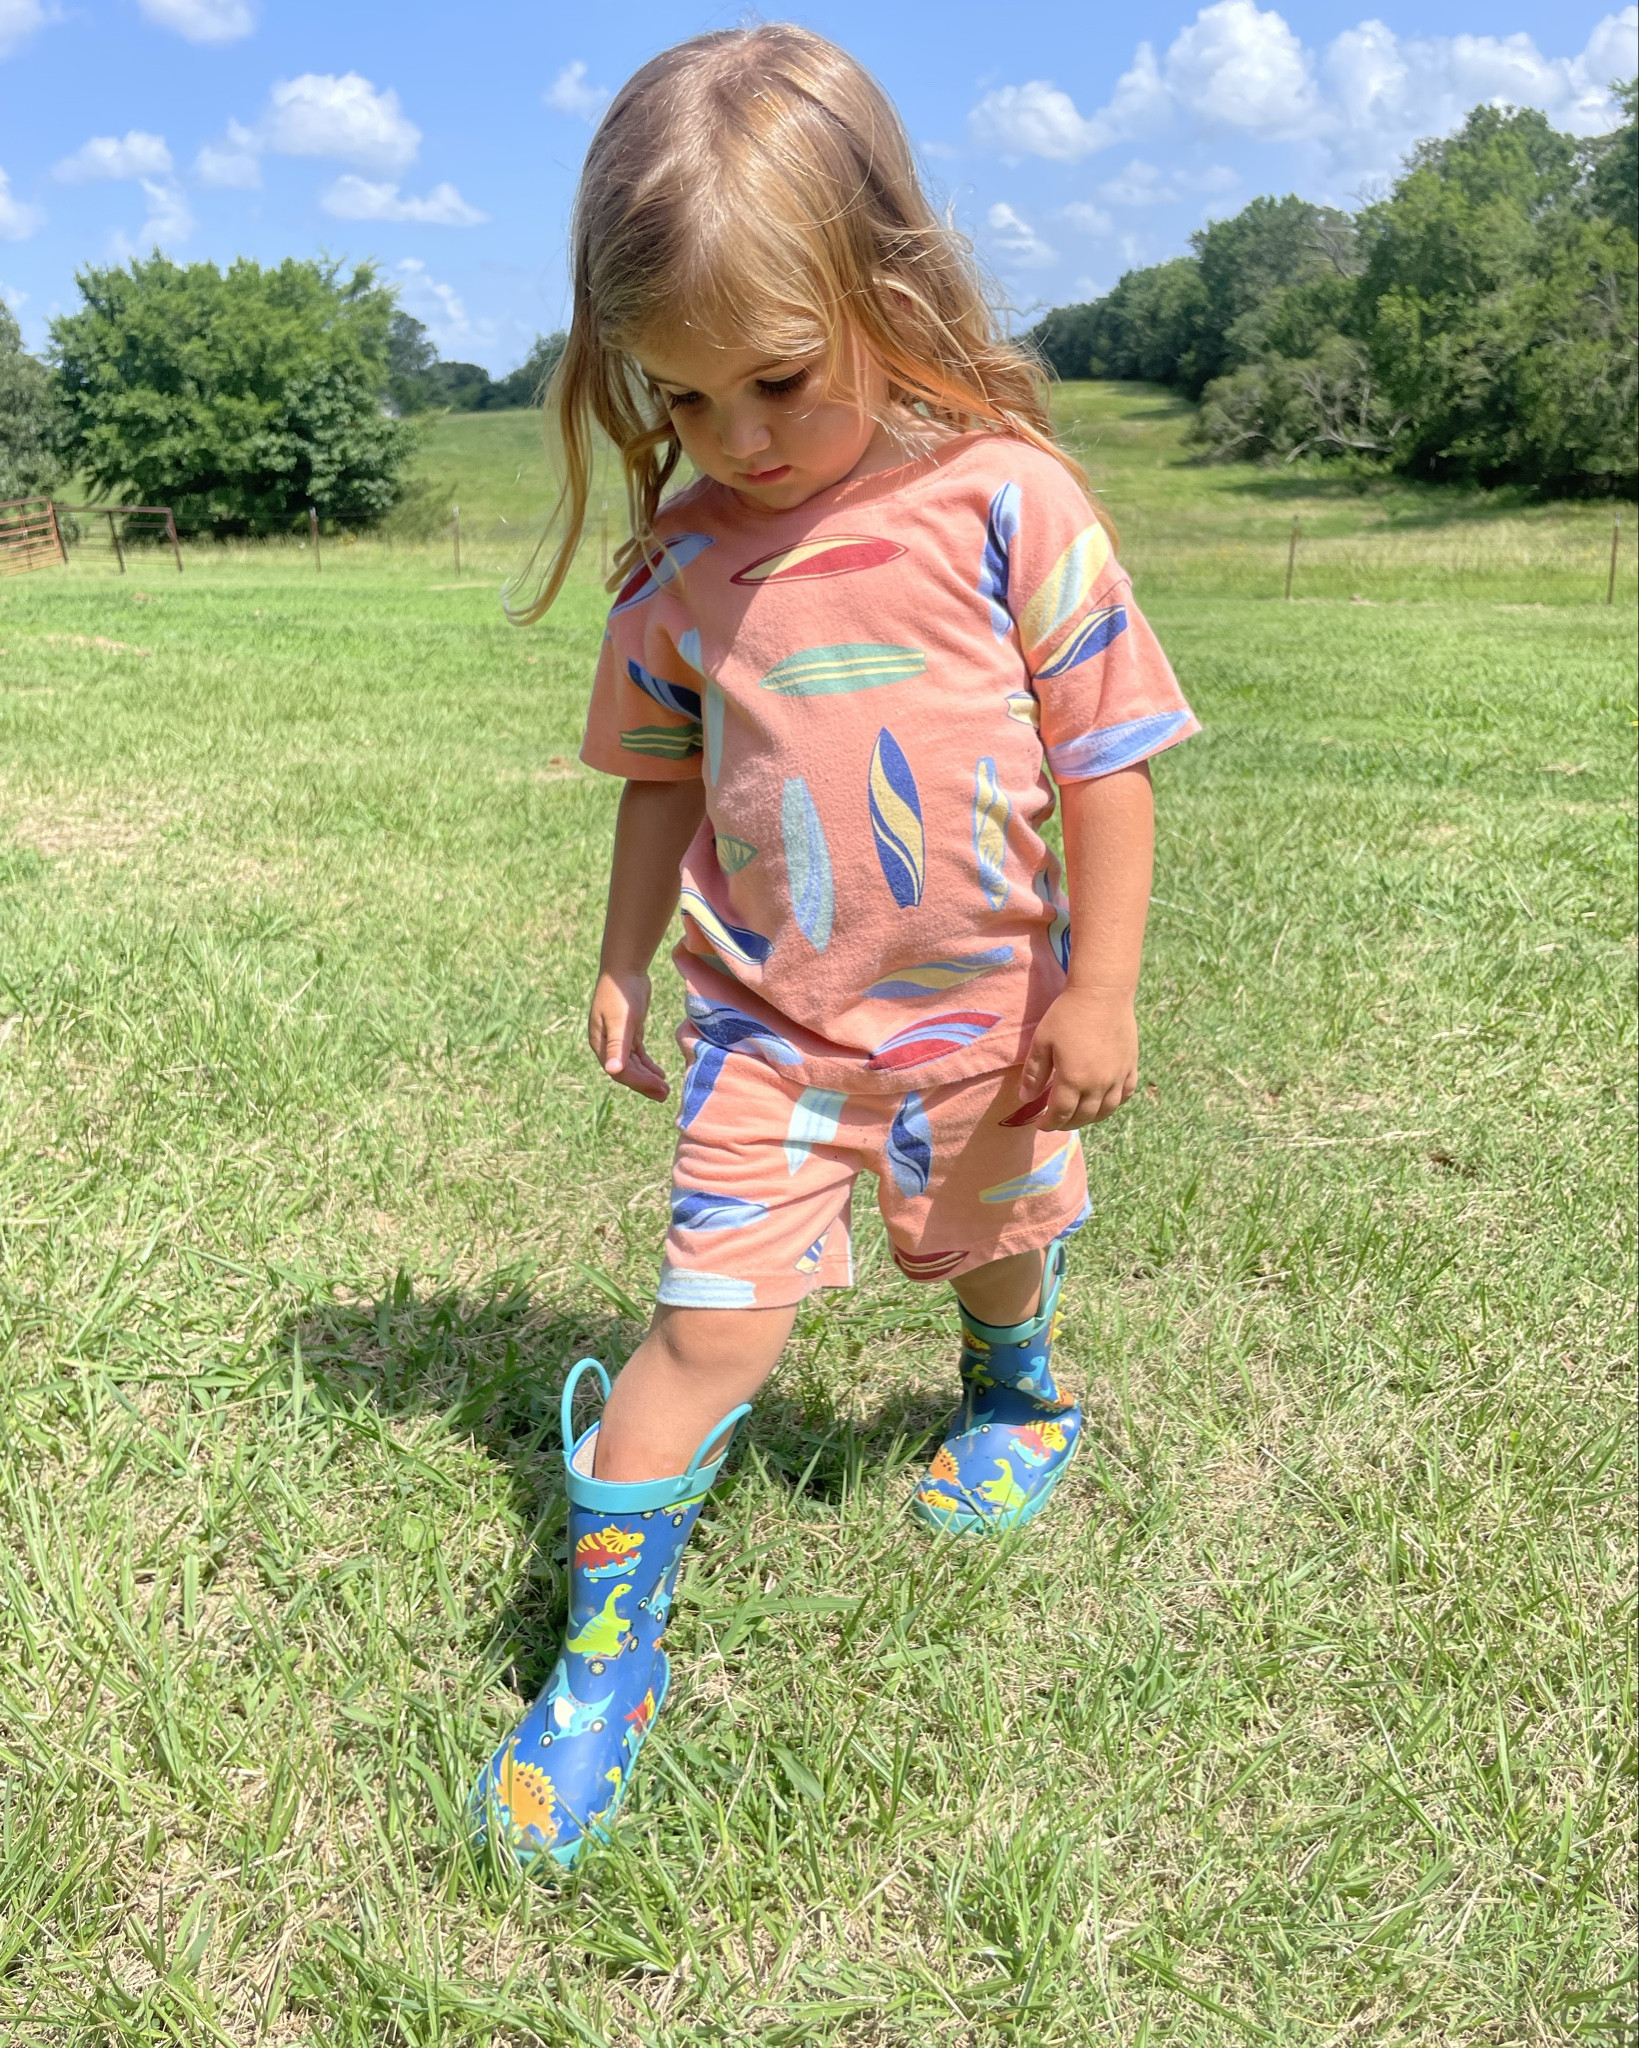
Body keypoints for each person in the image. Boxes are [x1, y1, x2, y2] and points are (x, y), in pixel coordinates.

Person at [471, 23, 1199, 1870]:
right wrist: (627, 956)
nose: (735, 440)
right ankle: (599, 1660)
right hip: (769, 1035)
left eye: (779, 382)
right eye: (684, 400)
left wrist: (1095, 988)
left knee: (986, 1240)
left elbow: (1107, 760)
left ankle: (1016, 1391)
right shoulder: (683, 566)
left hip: (986, 1025)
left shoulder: (1011, 504)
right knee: (706, 1329)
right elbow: (657, 778)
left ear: (887, 292)